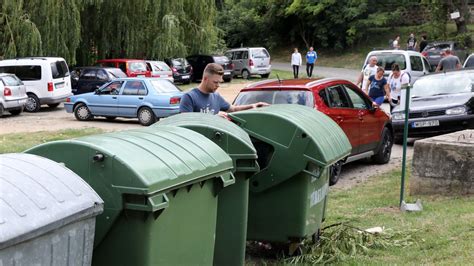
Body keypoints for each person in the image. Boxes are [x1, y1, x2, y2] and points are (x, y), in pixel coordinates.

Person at [180, 63, 268, 117]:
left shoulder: (216, 97)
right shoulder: (189, 97)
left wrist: (252, 106)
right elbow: (185, 122)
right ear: (205, 79)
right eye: (215, 82)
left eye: (220, 82)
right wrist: (213, 117)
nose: (218, 85)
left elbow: (233, 109)